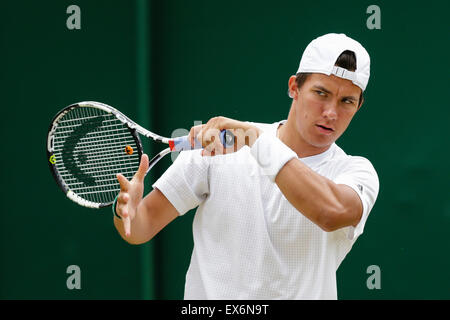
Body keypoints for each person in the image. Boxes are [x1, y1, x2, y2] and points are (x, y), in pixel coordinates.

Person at [113, 33, 379, 299]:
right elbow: (139, 228)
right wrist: (125, 210)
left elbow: (330, 212)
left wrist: (257, 142)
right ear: (294, 88)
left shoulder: (356, 172)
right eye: (321, 93)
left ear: (358, 106)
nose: (331, 112)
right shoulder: (215, 148)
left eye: (347, 101)